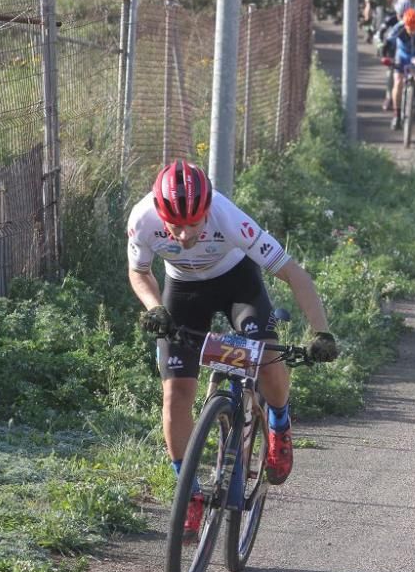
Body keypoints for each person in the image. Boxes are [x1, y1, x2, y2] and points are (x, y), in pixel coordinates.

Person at [128, 161, 339, 533]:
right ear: (159, 213)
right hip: (183, 290)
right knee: (175, 393)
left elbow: (293, 274)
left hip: (237, 284)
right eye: (174, 225)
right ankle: (189, 495)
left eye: (193, 223)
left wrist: (321, 332)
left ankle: (278, 421)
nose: (182, 233)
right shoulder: (143, 218)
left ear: (207, 210)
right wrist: (155, 307)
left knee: (268, 357)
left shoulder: (228, 217)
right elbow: (140, 270)